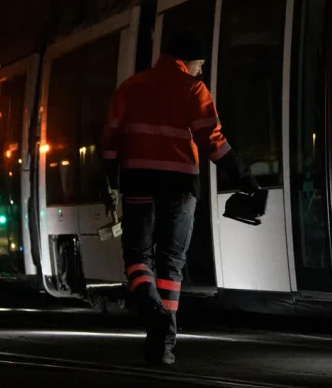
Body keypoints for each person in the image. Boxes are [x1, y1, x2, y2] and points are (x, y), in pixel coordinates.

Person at [100, 31, 260, 365]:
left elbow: (110, 142)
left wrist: (110, 184)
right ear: (187, 61)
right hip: (181, 187)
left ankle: (150, 307)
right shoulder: (192, 88)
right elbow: (213, 141)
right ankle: (163, 345)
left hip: (139, 184)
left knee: (137, 257)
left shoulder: (130, 88)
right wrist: (243, 177)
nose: (200, 71)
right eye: (199, 64)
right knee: (171, 262)